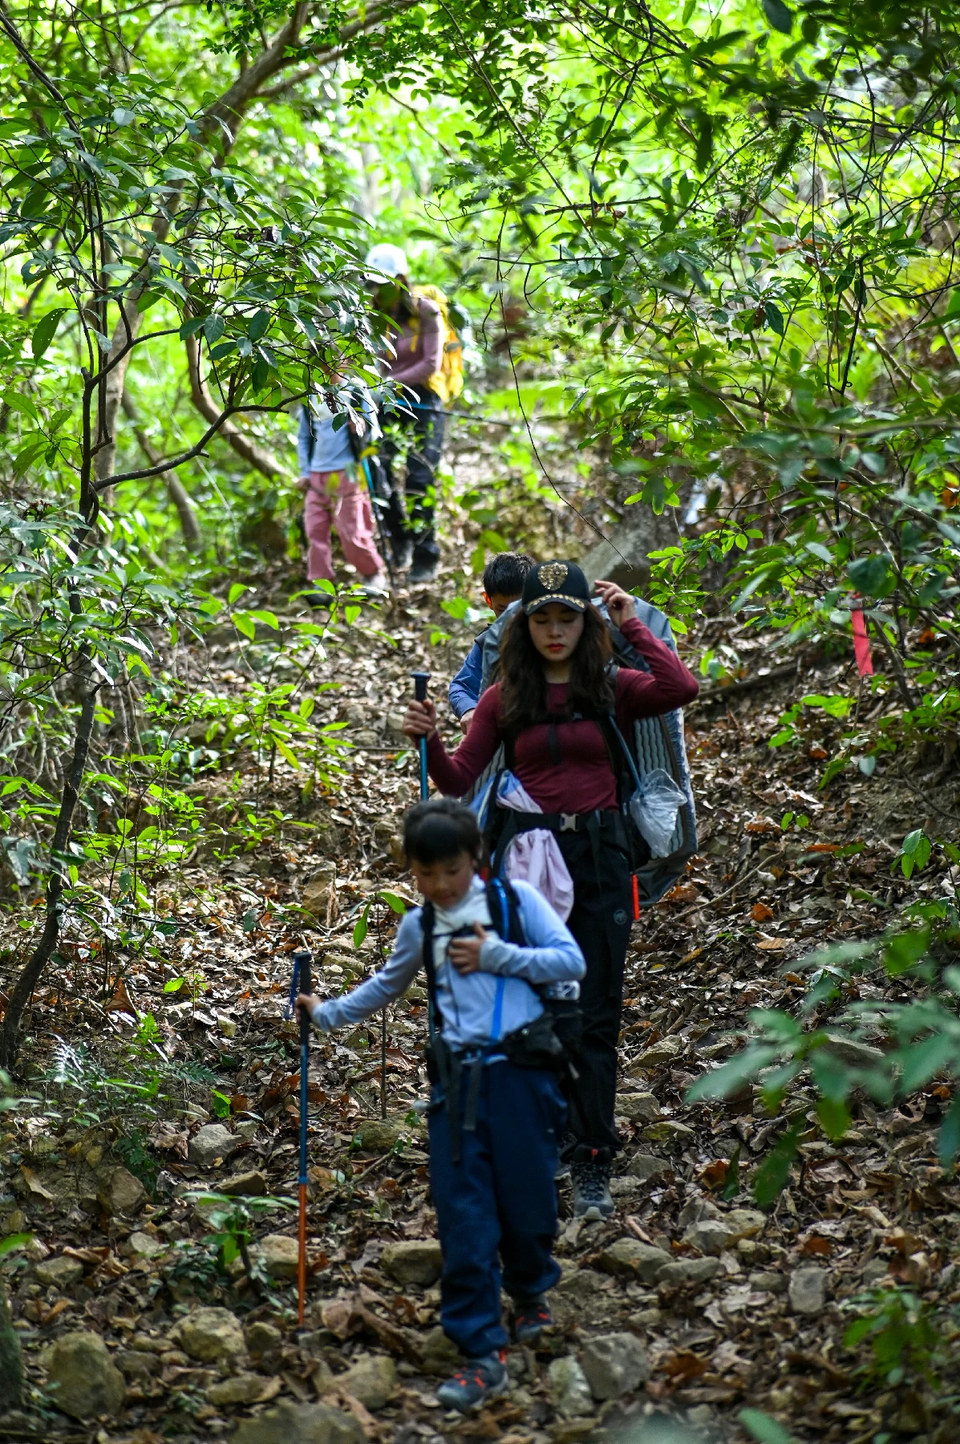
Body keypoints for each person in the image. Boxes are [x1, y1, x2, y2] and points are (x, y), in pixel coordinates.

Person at [403, 561, 699, 1221]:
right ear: (524, 625)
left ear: (584, 621)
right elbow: (457, 782)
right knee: (532, 1006)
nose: (556, 630)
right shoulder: (502, 699)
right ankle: (540, 1142)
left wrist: (629, 623)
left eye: (569, 616)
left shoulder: (612, 685)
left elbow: (680, 687)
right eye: (544, 618)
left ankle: (592, 1159)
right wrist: (428, 743)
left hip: (600, 858)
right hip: (525, 868)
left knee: (596, 1013)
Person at [297, 798, 584, 1411]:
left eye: (450, 871)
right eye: (424, 875)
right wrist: (326, 1016)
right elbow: (385, 985)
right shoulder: (419, 926)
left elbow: (571, 961)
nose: (439, 886)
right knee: (464, 1215)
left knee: (529, 1201)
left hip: (522, 1078)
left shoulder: (514, 905)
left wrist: (495, 956)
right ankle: (481, 1349)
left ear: (475, 859)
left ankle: (533, 1291)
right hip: (456, 1087)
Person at [365, 242, 446, 586]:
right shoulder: (374, 317)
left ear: (399, 280)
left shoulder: (427, 312)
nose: (375, 292)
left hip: (424, 403)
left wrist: (388, 384)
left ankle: (426, 554)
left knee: (419, 477)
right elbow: (372, 362)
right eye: (371, 285)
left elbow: (431, 364)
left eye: (380, 285)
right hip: (387, 404)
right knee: (378, 470)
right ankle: (401, 542)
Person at [296, 390, 389, 599]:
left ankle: (372, 574)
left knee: (352, 531)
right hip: (316, 475)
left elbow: (374, 431)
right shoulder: (310, 396)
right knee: (315, 531)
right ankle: (321, 584)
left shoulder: (355, 391)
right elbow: (303, 436)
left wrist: (361, 428)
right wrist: (304, 472)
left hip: (347, 473)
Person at [449, 552, 534, 732]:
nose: (511, 618)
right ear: (488, 600)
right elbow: (461, 686)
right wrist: (468, 709)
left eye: (519, 608)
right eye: (502, 609)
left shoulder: (555, 635)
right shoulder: (489, 642)